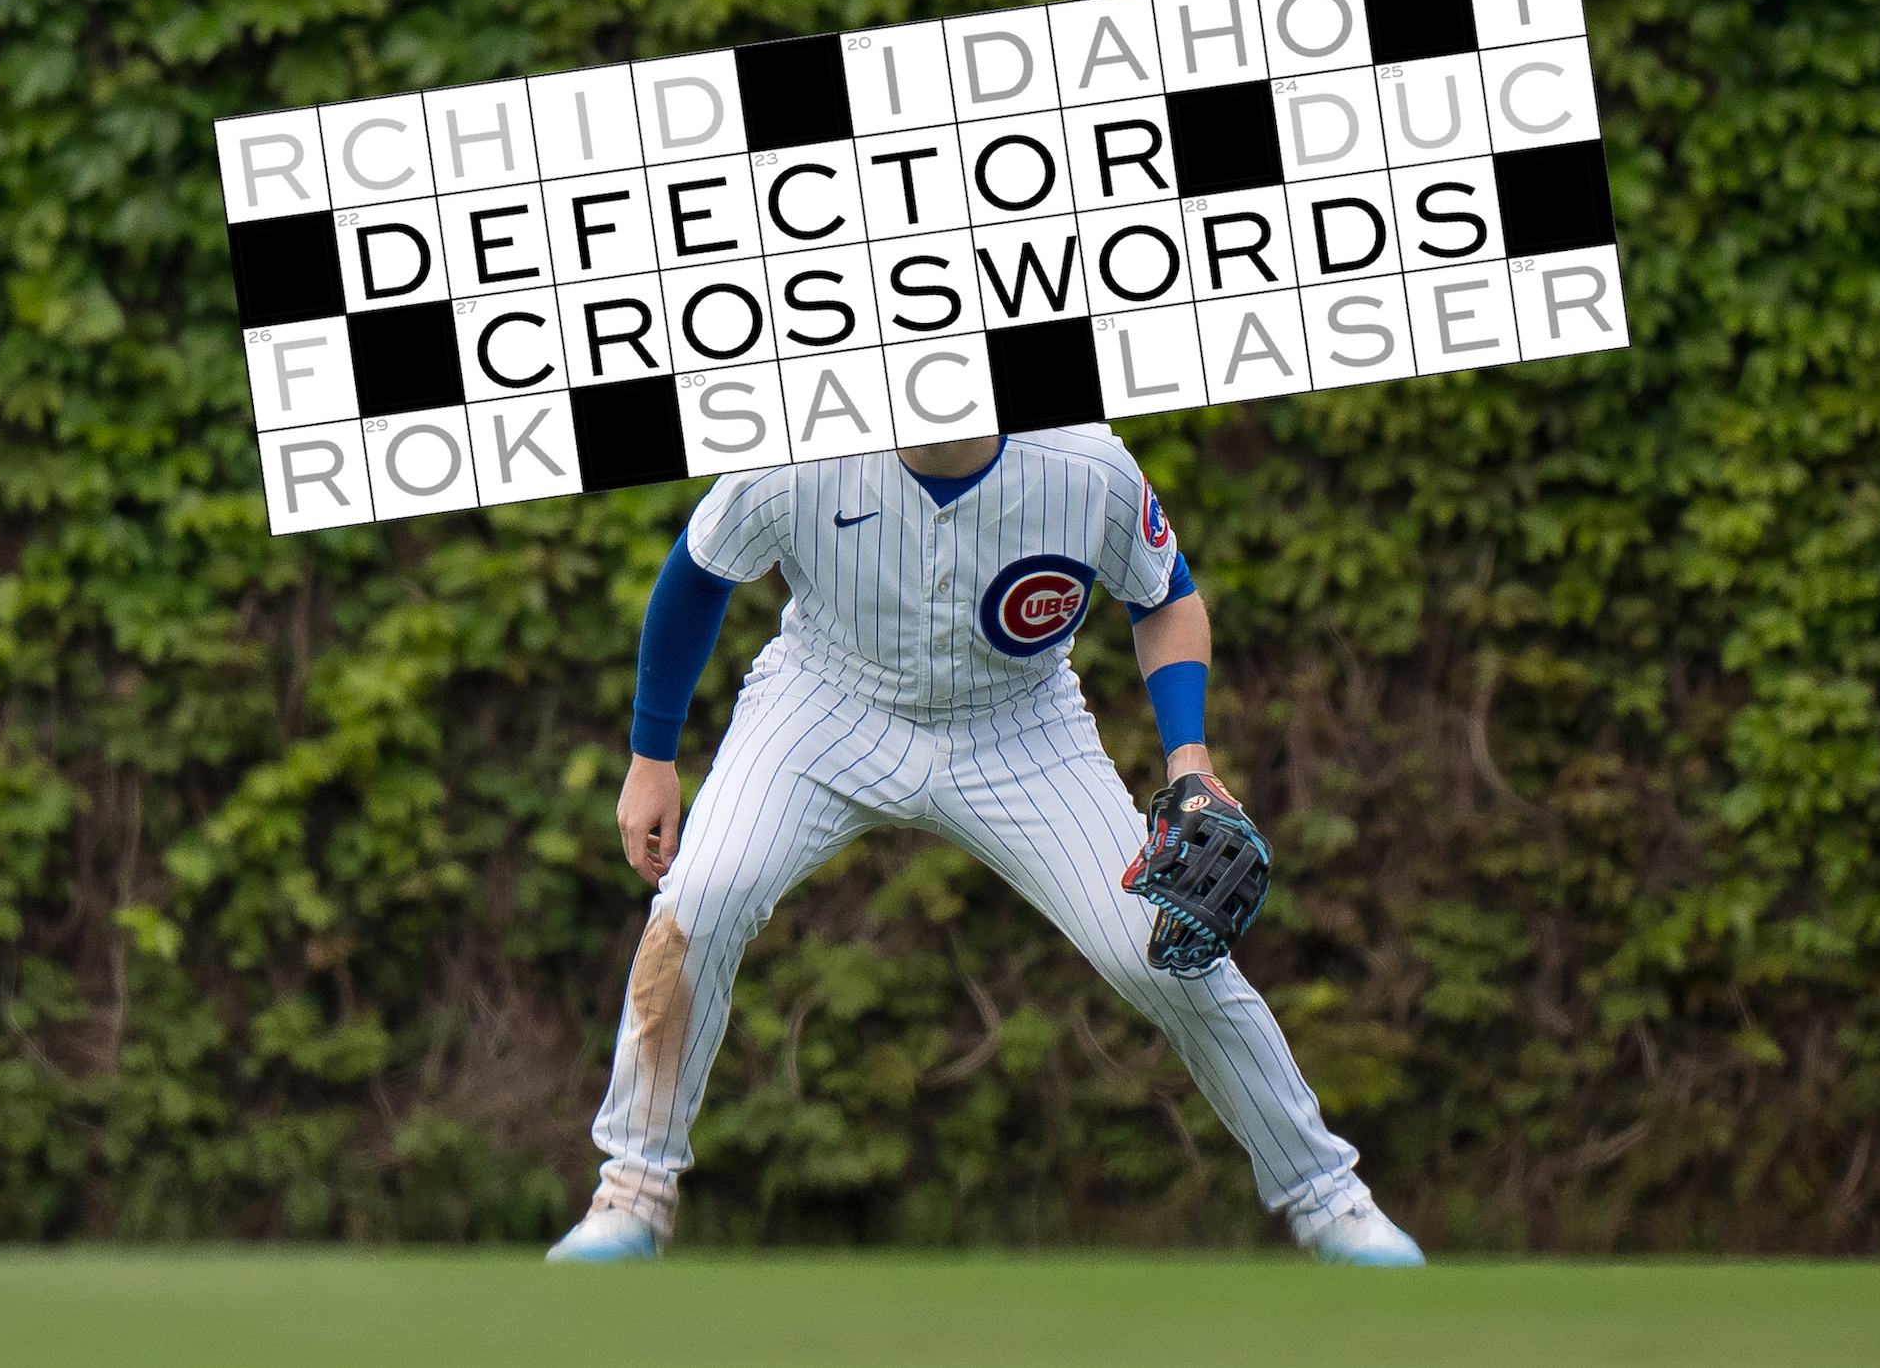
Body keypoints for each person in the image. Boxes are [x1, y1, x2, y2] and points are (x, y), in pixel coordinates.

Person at [543, 425, 1422, 1266]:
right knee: (701, 897)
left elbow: (1165, 595)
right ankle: (630, 1192)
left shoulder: (1085, 464)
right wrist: (651, 757)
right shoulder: (798, 447)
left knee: (1162, 953)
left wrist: (1188, 754)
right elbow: (698, 571)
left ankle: (1331, 1198)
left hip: (1019, 723)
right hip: (825, 701)